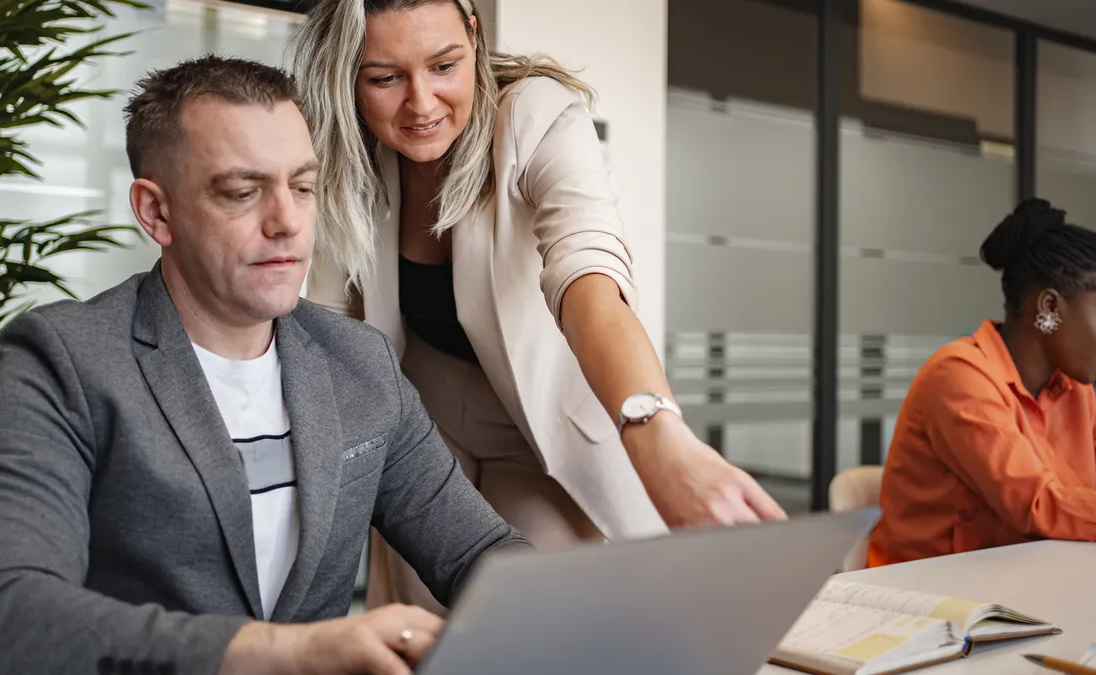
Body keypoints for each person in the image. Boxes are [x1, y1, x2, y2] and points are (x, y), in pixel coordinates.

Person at [0, 55, 530, 675]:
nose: (288, 223)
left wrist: (582, 611)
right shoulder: (62, 362)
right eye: (243, 193)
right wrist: (288, 656)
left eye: (302, 187)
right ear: (156, 213)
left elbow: (479, 553)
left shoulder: (359, 363)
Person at [292, 0, 786, 613]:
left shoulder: (534, 114)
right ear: (350, 77)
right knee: (432, 627)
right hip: (424, 422)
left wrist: (656, 432)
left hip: (537, 426)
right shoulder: (347, 147)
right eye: (386, 78)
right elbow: (329, 321)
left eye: (443, 65)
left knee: (541, 614)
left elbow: (587, 276)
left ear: (474, 34)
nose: (421, 103)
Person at [868, 198, 1096, 567]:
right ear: (1049, 308)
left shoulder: (1076, 389)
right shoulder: (959, 376)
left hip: (1024, 580)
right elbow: (1037, 504)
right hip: (923, 599)